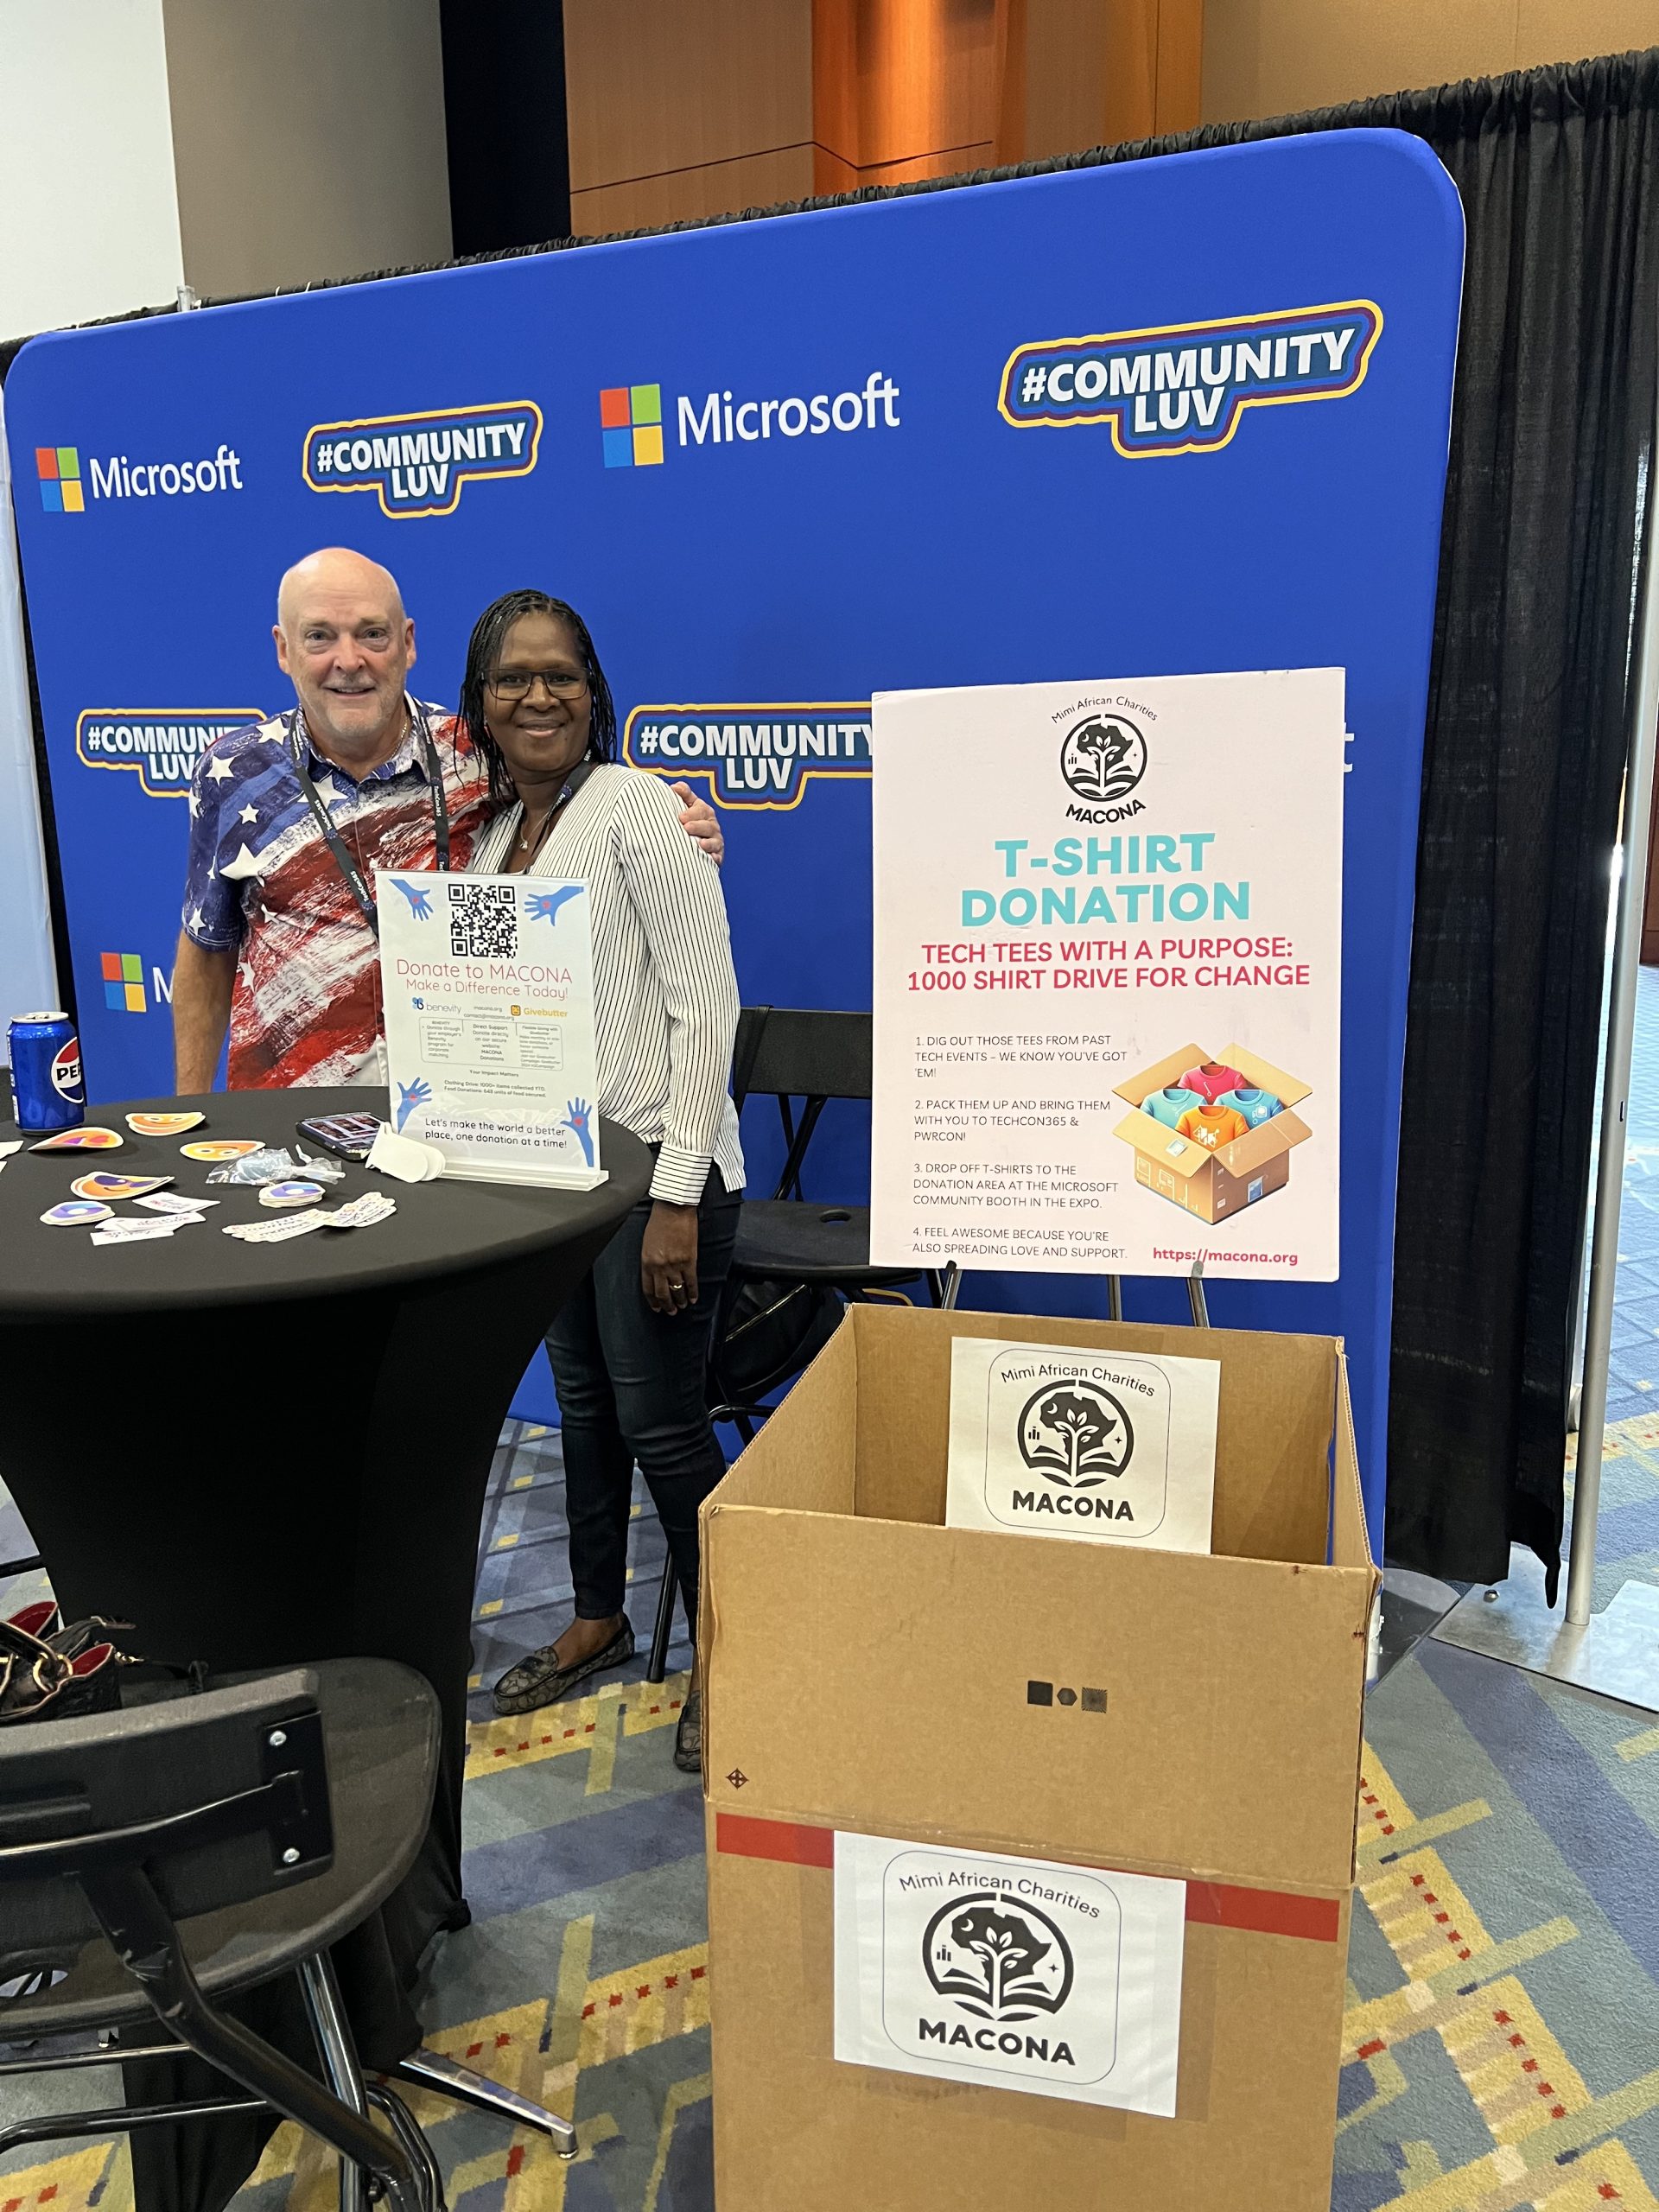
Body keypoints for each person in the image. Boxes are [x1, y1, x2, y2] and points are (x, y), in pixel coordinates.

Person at [461, 589, 744, 1772]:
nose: (538, 695)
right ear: (479, 704)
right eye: (513, 677)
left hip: (657, 1184)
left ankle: (741, 1654)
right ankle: (598, 1615)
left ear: (594, 692)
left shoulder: (640, 811)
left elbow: (705, 1012)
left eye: (561, 675)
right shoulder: (486, 839)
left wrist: (676, 1196)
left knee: (663, 1426)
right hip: (556, 1183)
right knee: (582, 1410)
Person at [173, 546, 721, 1089]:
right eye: (320, 636)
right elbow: (205, 953)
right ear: (284, 649)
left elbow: (589, 808)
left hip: (453, 1118)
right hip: (285, 1122)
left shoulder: (481, 755)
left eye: (372, 634)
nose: (348, 660)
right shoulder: (236, 773)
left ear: (407, 643)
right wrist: (188, 1118)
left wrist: (684, 830)